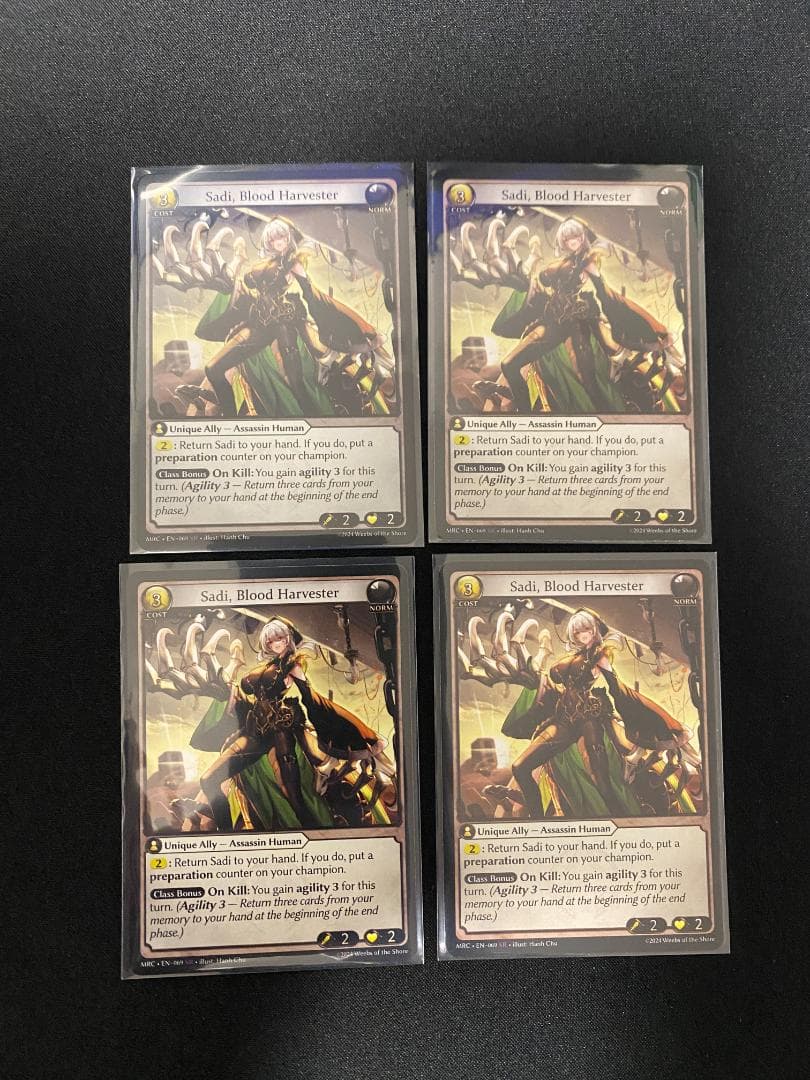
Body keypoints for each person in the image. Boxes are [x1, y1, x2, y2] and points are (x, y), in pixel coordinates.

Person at [194, 617, 386, 831]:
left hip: (280, 735)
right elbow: (247, 696)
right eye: (270, 639)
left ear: (288, 638)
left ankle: (315, 836)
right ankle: (226, 834)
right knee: (208, 780)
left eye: (279, 637)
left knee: (296, 802)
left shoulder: (293, 665)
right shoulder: (264, 666)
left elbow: (310, 698)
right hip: (254, 733)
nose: (274, 643)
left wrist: (337, 728)